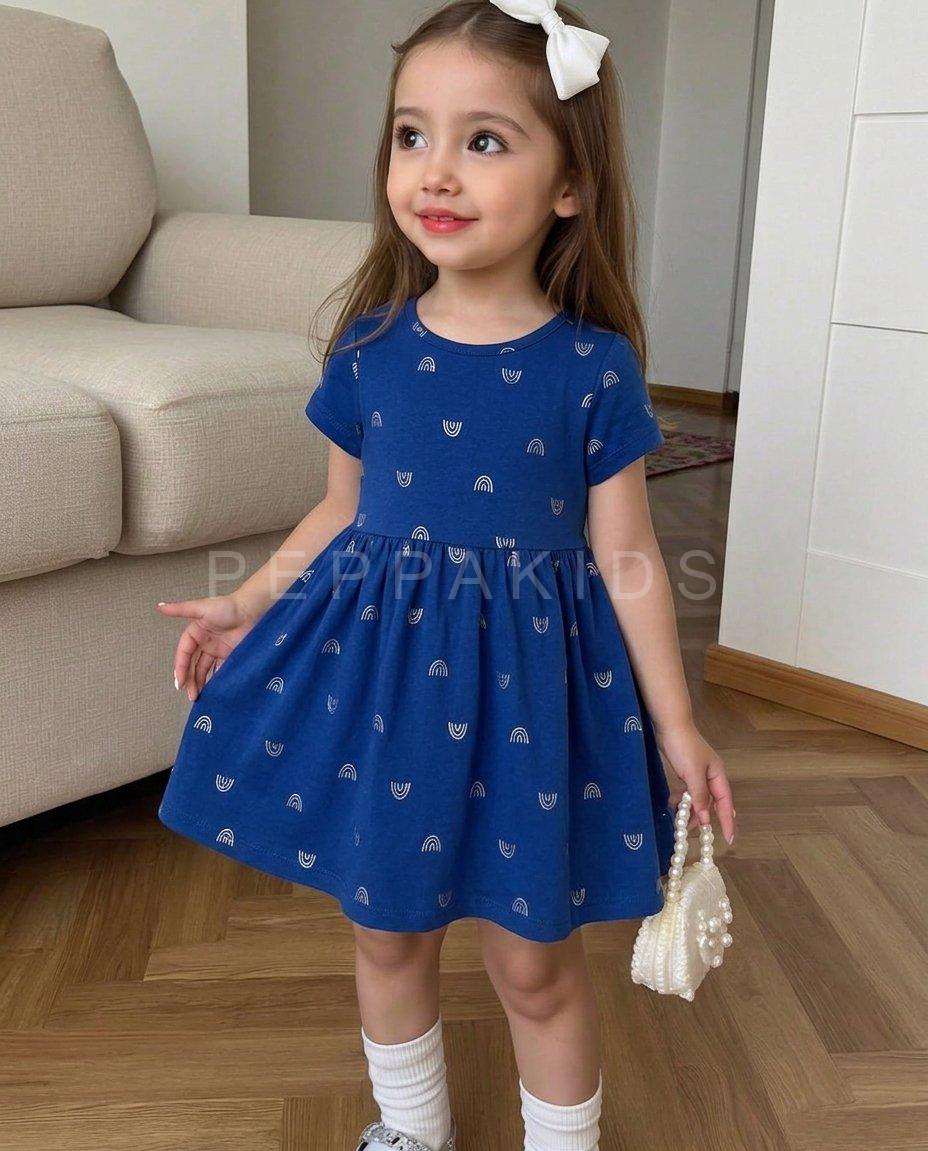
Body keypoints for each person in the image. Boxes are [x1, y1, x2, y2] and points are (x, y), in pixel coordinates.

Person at [155, 2, 737, 1149]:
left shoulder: (593, 368)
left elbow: (626, 554)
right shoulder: (369, 349)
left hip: (533, 705)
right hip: (391, 700)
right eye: (411, 134)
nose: (435, 169)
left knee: (534, 963)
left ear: (569, 185)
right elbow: (339, 510)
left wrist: (677, 724)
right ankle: (410, 1129)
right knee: (385, 932)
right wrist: (243, 599)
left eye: (484, 140)